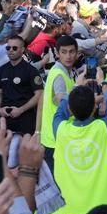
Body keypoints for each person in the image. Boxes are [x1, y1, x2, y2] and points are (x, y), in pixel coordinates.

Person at [35, 82, 107, 214]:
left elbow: (60, 112)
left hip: (69, 211)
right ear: (94, 108)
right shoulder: (103, 128)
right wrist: (105, 88)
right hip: (103, 210)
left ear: (70, 109)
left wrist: (74, 87)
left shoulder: (60, 129)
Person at [39, 34, 77, 168]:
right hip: (55, 140)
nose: (68, 56)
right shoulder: (59, 75)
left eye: (72, 52)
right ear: (57, 53)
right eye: (64, 52)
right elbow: (62, 101)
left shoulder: (63, 71)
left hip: (55, 137)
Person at [0, 35, 43, 134]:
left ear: (22, 50)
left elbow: (39, 95)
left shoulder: (31, 71)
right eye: (8, 48)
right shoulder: (1, 70)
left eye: (14, 48)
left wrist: (21, 110)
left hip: (25, 122)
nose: (10, 50)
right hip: (4, 123)